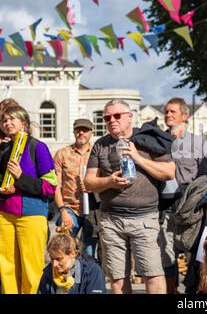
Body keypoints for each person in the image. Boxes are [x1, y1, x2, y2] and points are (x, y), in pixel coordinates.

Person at [84, 99, 175, 294]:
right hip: (111, 220)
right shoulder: (101, 145)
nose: (112, 121)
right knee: (117, 278)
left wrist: (138, 157)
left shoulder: (147, 140)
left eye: (117, 116)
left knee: (153, 275)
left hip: (144, 218)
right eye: (107, 117)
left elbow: (169, 172)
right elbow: (89, 182)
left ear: (130, 116)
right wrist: (109, 182)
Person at [0, 105, 57, 294]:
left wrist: (21, 177)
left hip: (32, 214)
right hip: (4, 214)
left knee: (31, 268)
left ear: (23, 122)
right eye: (4, 120)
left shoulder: (38, 147)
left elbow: (50, 186)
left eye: (11, 119)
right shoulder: (3, 149)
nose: (7, 123)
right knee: (6, 268)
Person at [160, 97, 203, 293]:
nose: (168, 115)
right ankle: (172, 290)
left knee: (194, 253)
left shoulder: (198, 142)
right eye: (166, 112)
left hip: (191, 209)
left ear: (185, 116)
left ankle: (193, 291)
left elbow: (206, 174)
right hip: (166, 207)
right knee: (167, 255)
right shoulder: (159, 141)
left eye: (173, 112)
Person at [54, 118, 99, 259]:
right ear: (74, 131)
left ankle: (87, 280)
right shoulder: (62, 154)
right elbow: (56, 185)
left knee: (89, 253)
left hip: (92, 209)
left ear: (91, 132)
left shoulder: (97, 152)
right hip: (69, 209)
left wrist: (93, 186)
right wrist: (62, 211)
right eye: (78, 130)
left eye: (85, 130)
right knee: (64, 250)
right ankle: (67, 280)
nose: (81, 133)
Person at [38, 230, 106, 294]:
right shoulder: (48, 272)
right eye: (52, 259)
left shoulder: (92, 271)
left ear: (72, 254)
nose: (54, 264)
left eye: (59, 259)